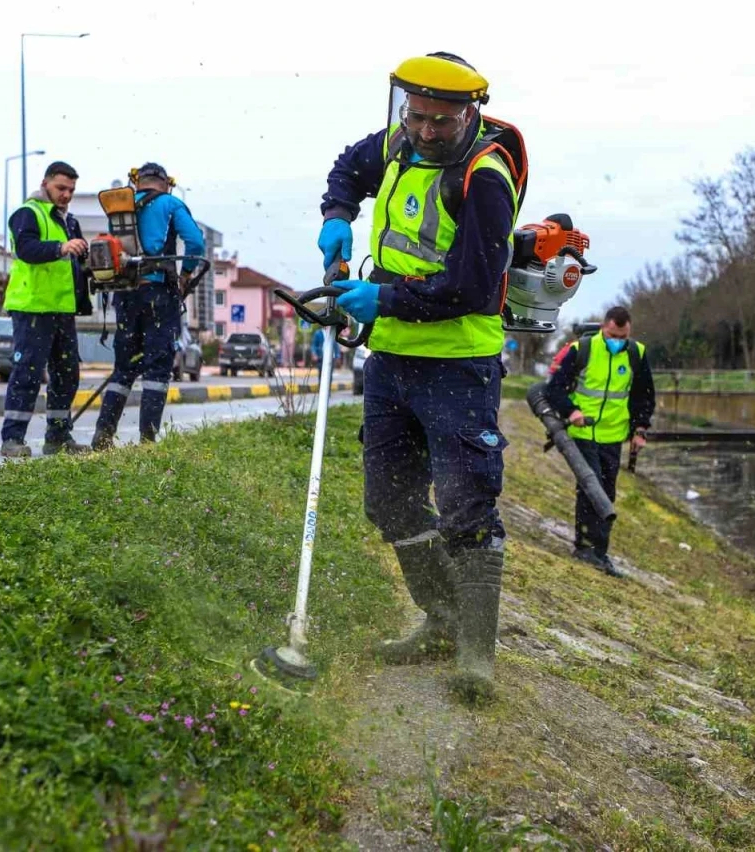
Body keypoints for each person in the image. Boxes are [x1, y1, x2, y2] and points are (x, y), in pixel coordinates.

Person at [318, 52, 525, 699]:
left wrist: (383, 300)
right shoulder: (398, 142)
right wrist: (336, 214)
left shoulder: (487, 179)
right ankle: (440, 617)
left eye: (441, 120)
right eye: (417, 118)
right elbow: (350, 168)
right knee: (389, 499)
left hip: (458, 366)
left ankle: (476, 653)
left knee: (467, 506)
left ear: (471, 114)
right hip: (392, 363)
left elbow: (469, 286)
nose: (427, 131)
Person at [91, 163, 205, 450]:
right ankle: (147, 440)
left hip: (126, 293)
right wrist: (187, 272)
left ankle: (103, 434)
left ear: (138, 182)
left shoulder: (121, 207)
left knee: (124, 367)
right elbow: (195, 242)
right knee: (157, 366)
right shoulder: (170, 203)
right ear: (165, 183)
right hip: (159, 295)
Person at [544, 306, 656, 578]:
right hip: (583, 433)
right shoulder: (582, 350)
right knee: (589, 487)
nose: (618, 340)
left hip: (613, 436)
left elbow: (644, 395)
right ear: (604, 328)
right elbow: (554, 389)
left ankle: (600, 552)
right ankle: (584, 547)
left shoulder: (635, 354)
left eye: (623, 335)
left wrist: (640, 429)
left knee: (607, 491)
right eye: (613, 335)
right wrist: (572, 412)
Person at [0, 160, 92, 458]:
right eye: (61, 188)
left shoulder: (69, 221)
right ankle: (12, 438)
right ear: (46, 183)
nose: (66, 194)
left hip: (62, 309)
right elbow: (26, 250)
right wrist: (60, 248)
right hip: (33, 307)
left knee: (67, 373)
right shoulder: (28, 213)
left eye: (71, 190)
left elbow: (73, 268)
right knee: (27, 371)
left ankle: (58, 436)